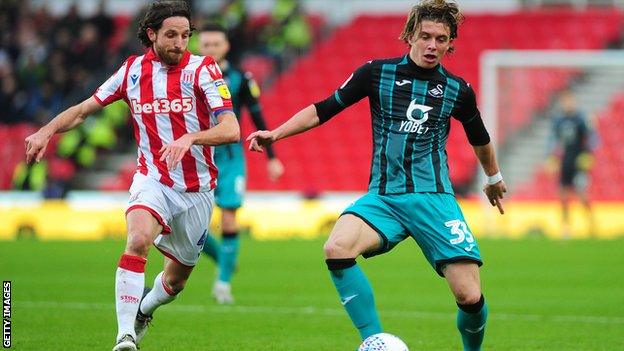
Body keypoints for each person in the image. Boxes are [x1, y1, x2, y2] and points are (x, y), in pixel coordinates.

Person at [247, 1, 506, 350]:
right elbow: (325, 108)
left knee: (469, 295)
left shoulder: (457, 90)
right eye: (425, 36)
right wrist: (275, 133)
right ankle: (375, 341)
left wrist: (493, 178)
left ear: (449, 43)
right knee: (336, 248)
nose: (432, 45)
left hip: (434, 198)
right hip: (383, 197)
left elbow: (481, 139)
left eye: (441, 39)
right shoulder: (376, 73)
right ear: (410, 36)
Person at [24, 2, 240, 350]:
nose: (179, 43)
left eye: (185, 36)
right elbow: (84, 110)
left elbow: (231, 129)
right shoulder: (132, 72)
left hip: (198, 189)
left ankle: (144, 308)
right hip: (152, 179)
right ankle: (125, 336)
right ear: (151, 34)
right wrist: (46, 131)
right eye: (171, 35)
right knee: (137, 240)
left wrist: (191, 137)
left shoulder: (204, 70)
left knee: (176, 280)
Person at [197, 23, 284, 304]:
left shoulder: (241, 79)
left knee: (230, 216)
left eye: (215, 44)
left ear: (226, 47)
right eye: (206, 44)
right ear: (199, 46)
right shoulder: (187, 77)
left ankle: (223, 283)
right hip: (198, 157)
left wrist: (272, 157)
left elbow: (258, 117)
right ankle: (225, 259)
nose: (210, 49)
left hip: (231, 159)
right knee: (195, 226)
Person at [548, 89, 595, 238]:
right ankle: (566, 227)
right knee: (562, 195)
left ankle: (591, 223)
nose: (567, 104)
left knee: (581, 194)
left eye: (569, 101)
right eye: (565, 101)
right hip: (565, 162)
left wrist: (588, 155)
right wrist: (552, 157)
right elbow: (554, 142)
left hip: (579, 162)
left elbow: (591, 139)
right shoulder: (559, 121)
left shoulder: (580, 120)